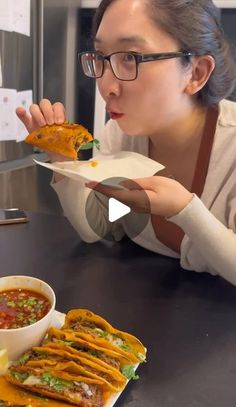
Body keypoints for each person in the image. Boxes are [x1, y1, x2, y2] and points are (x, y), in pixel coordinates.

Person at [16, 0, 236, 285]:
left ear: (196, 73)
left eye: (131, 57)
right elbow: (97, 228)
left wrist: (185, 211)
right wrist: (63, 160)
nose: (107, 86)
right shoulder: (120, 134)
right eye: (101, 56)